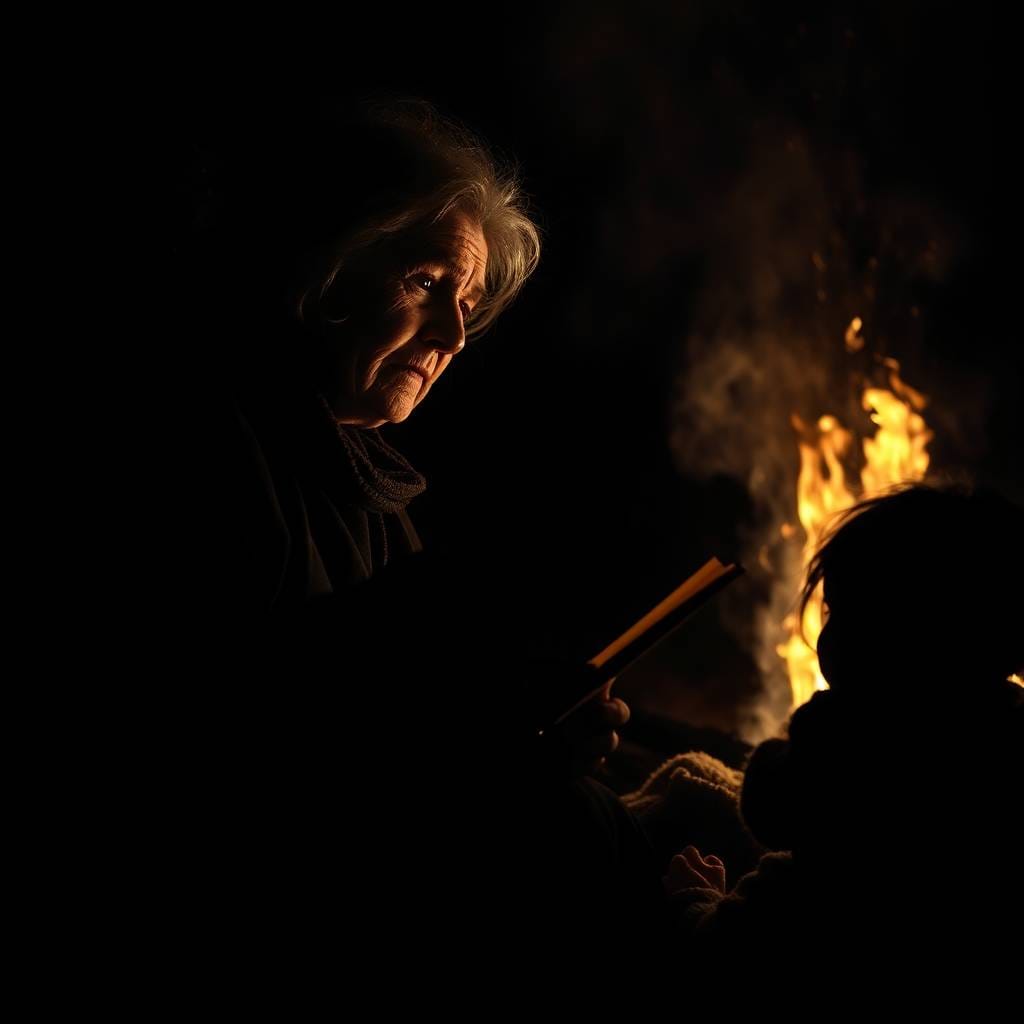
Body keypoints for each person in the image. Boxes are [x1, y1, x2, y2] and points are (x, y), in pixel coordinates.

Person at [154, 98, 666, 979]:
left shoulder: (368, 488)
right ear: (320, 262)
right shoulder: (196, 443)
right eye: (429, 282)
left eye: (467, 304)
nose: (455, 335)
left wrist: (540, 734)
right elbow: (245, 757)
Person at [663, 482, 1024, 977]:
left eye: (841, 611)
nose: (827, 634)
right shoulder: (1001, 728)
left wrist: (695, 901)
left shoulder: (845, 747)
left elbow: (746, 924)